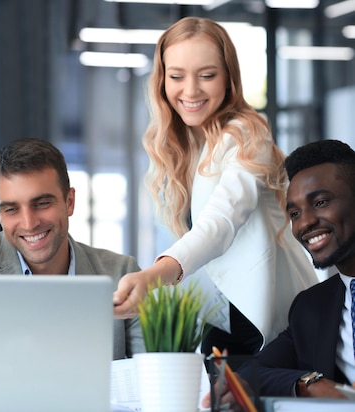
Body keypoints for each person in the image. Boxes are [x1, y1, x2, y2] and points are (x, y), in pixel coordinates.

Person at [112, 16, 318, 361]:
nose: (190, 90)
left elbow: (222, 222)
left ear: (228, 78)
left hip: (272, 323)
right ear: (162, 80)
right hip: (222, 319)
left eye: (207, 75)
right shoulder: (178, 149)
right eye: (176, 76)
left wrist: (155, 276)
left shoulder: (246, 133)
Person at [0, 137, 145, 359]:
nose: (29, 224)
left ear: (69, 202)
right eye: (11, 209)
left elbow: (150, 377)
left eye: (42, 204)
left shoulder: (121, 274)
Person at [203, 139, 355, 409]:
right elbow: (251, 372)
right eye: (295, 213)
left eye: (320, 202)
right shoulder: (312, 307)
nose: (305, 223)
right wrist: (309, 384)